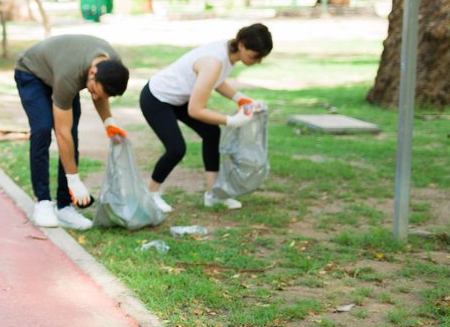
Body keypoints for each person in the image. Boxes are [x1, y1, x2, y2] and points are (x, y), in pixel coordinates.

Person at [139, 23, 272, 212]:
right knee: (176, 148)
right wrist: (232, 120)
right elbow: (195, 110)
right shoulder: (214, 61)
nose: (257, 61)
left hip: (179, 98)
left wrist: (241, 99)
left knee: (211, 132)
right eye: (254, 56)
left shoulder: (228, 53)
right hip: (156, 99)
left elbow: (216, 81)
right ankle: (151, 194)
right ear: (242, 45)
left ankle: (213, 195)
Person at [14, 34, 130, 231]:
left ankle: (64, 206)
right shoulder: (70, 74)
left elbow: (100, 95)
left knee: (73, 135)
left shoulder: (112, 65)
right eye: (92, 90)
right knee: (43, 129)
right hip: (31, 72)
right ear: (92, 73)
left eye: (97, 94)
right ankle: (42, 202)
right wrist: (74, 180)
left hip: (59, 73)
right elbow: (61, 133)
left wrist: (108, 122)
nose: (93, 95)